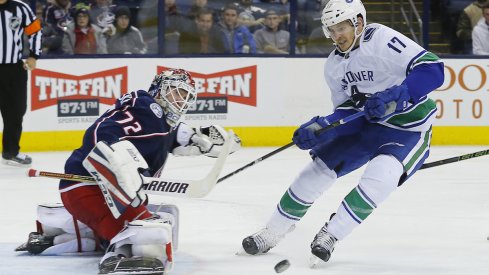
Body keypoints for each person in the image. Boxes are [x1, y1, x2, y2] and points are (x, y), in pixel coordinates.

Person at [241, 0, 444, 266]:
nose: (337, 36)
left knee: (379, 179)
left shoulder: (381, 38)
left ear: (358, 22)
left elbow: (433, 69)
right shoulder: (334, 66)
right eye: (331, 30)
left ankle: (331, 235)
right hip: (369, 129)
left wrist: (398, 95)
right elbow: (349, 113)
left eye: (341, 28)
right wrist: (323, 127)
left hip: (408, 131)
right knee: (315, 170)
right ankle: (273, 231)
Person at [15, 68, 241, 274]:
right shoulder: (145, 107)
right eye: (177, 93)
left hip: (102, 194)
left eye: (186, 97)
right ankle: (118, 255)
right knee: (150, 238)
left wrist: (203, 140)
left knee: (165, 219)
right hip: (89, 188)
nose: (181, 101)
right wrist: (122, 166)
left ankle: (58, 239)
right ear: (160, 89)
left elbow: (169, 136)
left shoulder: (159, 121)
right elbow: (98, 135)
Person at [0, 0, 42, 166]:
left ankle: (10, 152)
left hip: (14, 70)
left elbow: (35, 31)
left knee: (16, 111)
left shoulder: (20, 8)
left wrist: (34, 55)